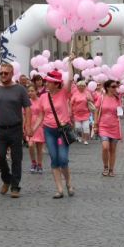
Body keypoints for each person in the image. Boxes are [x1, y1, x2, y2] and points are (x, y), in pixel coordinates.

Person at [0, 63, 31, 198]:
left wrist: (28, 125)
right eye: (1, 73)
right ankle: (6, 179)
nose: (3, 75)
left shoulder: (20, 89)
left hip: (16, 128)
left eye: (6, 73)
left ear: (12, 74)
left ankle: (15, 186)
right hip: (0, 129)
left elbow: (27, 108)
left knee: (16, 159)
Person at [36, 69, 74, 198]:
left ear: (57, 84)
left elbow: (71, 79)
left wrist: (70, 63)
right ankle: (59, 189)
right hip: (49, 131)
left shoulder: (64, 93)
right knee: (54, 159)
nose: (46, 83)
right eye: (46, 81)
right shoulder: (43, 97)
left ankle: (68, 182)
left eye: (49, 82)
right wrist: (33, 129)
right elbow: (41, 115)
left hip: (61, 132)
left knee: (63, 159)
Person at [94, 80, 123, 177]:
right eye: (113, 86)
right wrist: (95, 124)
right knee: (105, 147)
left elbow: (120, 112)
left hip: (114, 126)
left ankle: (111, 169)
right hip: (103, 126)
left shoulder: (117, 98)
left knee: (113, 150)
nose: (115, 88)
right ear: (107, 88)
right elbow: (96, 111)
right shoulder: (101, 98)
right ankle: (105, 167)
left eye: (116, 86)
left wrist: (122, 110)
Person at [26, 85, 45, 174]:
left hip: (39, 125)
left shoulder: (41, 101)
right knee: (30, 145)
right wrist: (24, 126)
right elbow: (24, 115)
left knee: (39, 147)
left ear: (36, 91)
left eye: (32, 91)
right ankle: (33, 162)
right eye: (29, 91)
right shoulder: (27, 102)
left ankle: (40, 164)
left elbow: (42, 114)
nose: (30, 93)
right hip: (29, 124)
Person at [71, 80, 93, 145]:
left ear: (85, 87)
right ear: (77, 87)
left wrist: (89, 99)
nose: (81, 87)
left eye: (83, 86)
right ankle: (79, 136)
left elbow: (92, 100)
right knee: (78, 128)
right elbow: (71, 103)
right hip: (77, 113)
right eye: (80, 86)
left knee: (86, 128)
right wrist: (71, 111)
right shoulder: (75, 94)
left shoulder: (87, 93)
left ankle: (85, 140)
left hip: (85, 113)